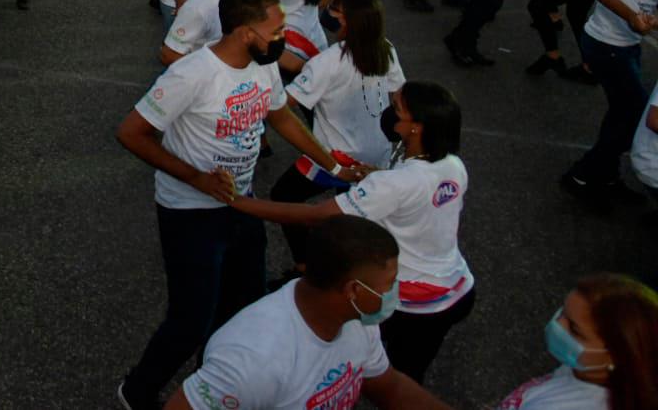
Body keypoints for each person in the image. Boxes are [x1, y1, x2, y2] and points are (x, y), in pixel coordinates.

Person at [114, 0, 359, 410]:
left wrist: (332, 164)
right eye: (276, 30)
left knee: (243, 308)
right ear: (246, 32)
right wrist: (196, 178)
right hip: (190, 214)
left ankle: (208, 386)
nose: (283, 38)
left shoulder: (261, 65)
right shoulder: (192, 74)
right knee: (191, 318)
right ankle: (136, 391)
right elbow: (131, 132)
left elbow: (281, 116)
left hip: (242, 206)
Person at [231, 81, 474, 383]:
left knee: (384, 376)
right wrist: (380, 178)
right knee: (410, 372)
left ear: (416, 127)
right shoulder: (453, 165)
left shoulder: (393, 184)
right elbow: (414, 194)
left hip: (413, 302)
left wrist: (237, 201)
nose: (388, 113)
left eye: (396, 109)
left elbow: (314, 216)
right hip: (456, 288)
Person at [155, 215, 449, 410]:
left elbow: (391, 387)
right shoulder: (252, 361)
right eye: (390, 283)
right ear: (353, 290)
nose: (396, 290)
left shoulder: (358, 320)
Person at [268, 0, 405, 265]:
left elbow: (283, 106)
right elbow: (398, 92)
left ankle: (305, 266)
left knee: (282, 197)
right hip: (376, 152)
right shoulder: (385, 49)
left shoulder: (327, 62)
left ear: (346, 22)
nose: (328, 14)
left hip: (337, 155)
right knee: (352, 213)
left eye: (334, 11)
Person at [562, 0, 658, 206]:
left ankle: (606, 174)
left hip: (628, 44)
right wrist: (630, 15)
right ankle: (584, 173)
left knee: (622, 112)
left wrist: (650, 19)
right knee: (635, 115)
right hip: (606, 43)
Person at [498, 274, 658, 410]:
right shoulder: (586, 371)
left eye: (574, 329)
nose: (558, 324)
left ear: (616, 356)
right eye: (563, 311)